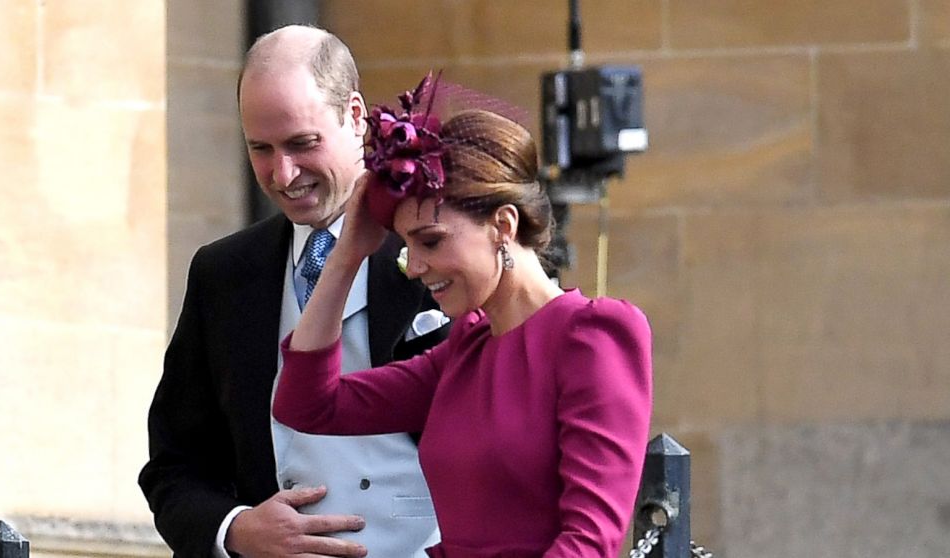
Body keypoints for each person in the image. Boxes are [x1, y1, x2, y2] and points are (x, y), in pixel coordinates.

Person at [273, 76, 653, 557]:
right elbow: (307, 405)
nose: (414, 266)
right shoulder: (466, 350)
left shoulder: (593, 335)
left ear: (503, 226)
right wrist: (347, 255)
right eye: (406, 244)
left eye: (430, 241)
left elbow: (588, 543)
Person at [138, 26, 449, 558]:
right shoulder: (224, 274)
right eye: (261, 148)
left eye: (302, 144)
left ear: (355, 117)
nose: (283, 174)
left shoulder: (443, 245)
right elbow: (176, 463)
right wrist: (234, 530)